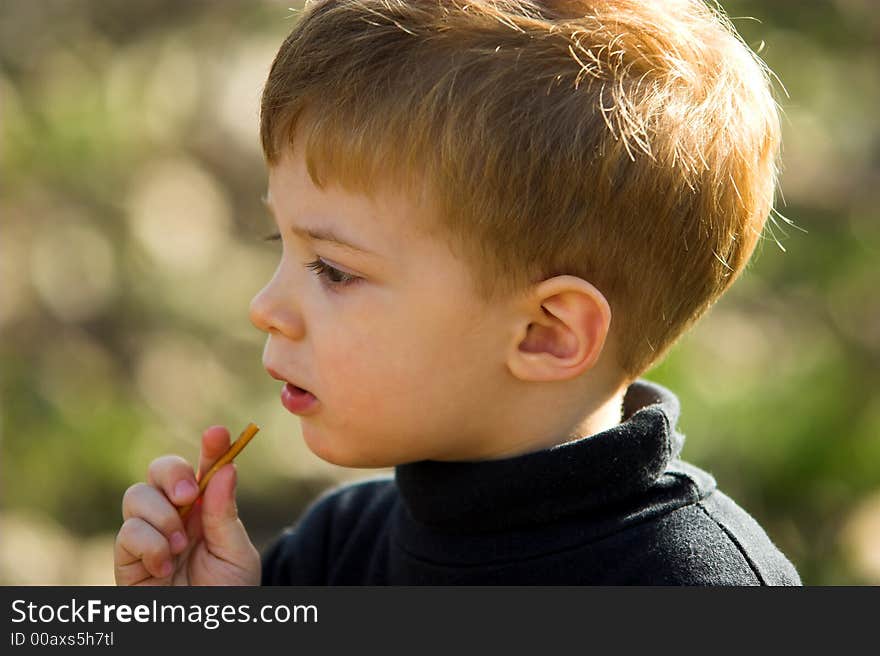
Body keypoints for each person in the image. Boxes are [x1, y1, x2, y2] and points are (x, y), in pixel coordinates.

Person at [114, 0, 801, 585]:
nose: (265, 308)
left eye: (333, 269)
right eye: (280, 245)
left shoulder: (702, 584)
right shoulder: (334, 553)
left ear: (547, 333)